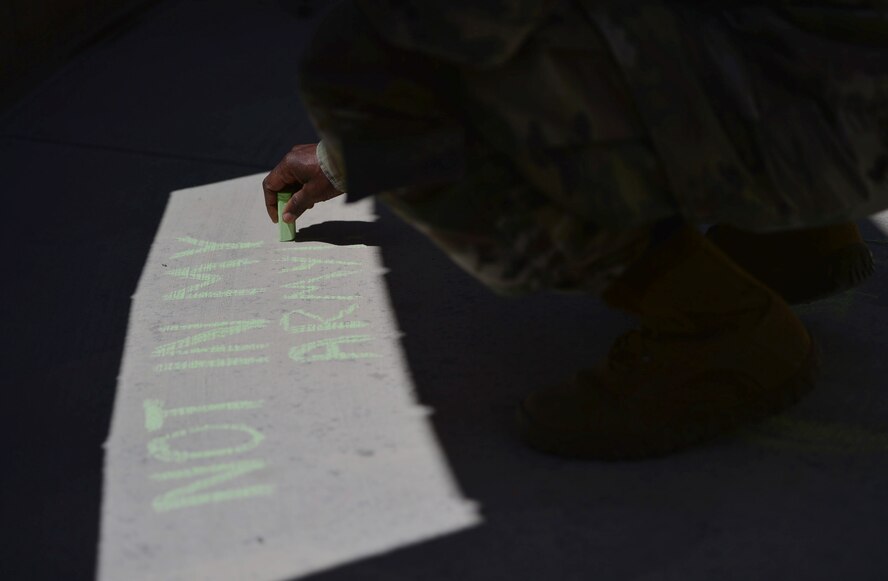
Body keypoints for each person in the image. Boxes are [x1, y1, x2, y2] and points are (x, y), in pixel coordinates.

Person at [262, 0, 887, 459]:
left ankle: (720, 327)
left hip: (832, 119)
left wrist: (345, 151)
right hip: (844, 94)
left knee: (368, 71)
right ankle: (803, 237)